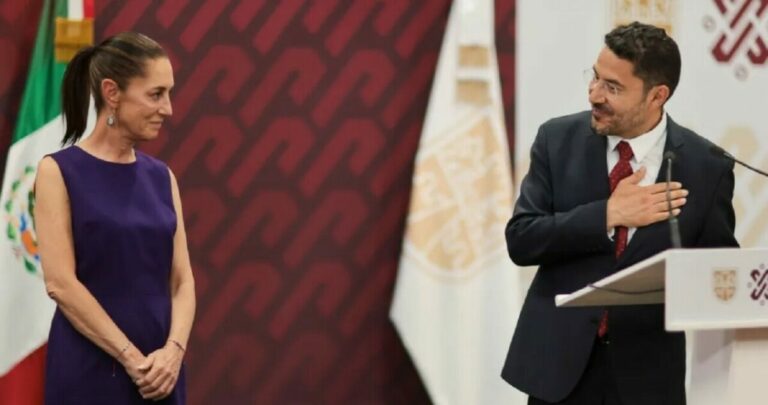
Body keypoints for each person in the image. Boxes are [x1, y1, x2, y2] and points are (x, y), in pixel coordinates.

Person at [501, 22, 738, 405]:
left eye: (612, 88)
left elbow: (718, 275)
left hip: (648, 378)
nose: (594, 94)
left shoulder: (706, 167)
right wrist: (607, 214)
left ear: (657, 95)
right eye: (595, 77)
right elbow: (522, 239)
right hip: (559, 372)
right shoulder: (556, 140)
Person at [34, 32, 195, 404]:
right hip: (91, 370)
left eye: (169, 94)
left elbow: (183, 280)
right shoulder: (57, 171)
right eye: (156, 94)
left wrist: (173, 353)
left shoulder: (162, 177)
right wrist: (132, 359)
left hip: (161, 373)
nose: (168, 109)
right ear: (112, 93)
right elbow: (60, 283)